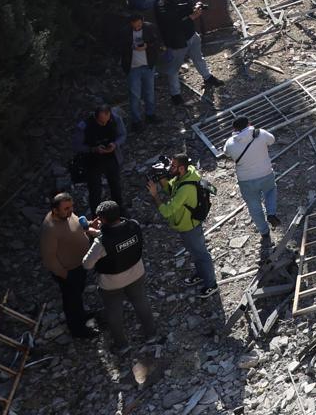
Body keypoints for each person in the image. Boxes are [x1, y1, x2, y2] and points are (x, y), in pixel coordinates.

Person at [82, 202, 158, 351]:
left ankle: (122, 345)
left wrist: (93, 236)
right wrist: (97, 232)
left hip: (112, 283)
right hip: (136, 272)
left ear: (102, 219)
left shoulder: (101, 242)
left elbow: (87, 264)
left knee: (114, 312)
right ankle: (151, 334)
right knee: (141, 302)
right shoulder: (133, 225)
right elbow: (118, 237)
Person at [150, 156, 218, 298]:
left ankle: (212, 285)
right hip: (184, 225)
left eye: (173, 166)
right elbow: (172, 191)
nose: (170, 168)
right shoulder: (185, 175)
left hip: (190, 227)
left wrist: (155, 195)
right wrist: (163, 179)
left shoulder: (186, 187)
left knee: (201, 254)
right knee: (195, 252)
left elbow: (168, 211)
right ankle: (201, 275)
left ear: (181, 168)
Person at [40, 192, 97, 341]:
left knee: (77, 295)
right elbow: (49, 258)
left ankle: (82, 316)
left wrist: (90, 225)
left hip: (80, 265)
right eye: (66, 208)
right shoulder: (50, 229)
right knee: (71, 300)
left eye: (71, 207)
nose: (70, 210)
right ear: (55, 210)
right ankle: (78, 330)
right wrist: (65, 275)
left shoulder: (67, 215)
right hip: (68, 271)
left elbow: (78, 226)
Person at [155, 0, 220, 105]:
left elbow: (188, 2)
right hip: (176, 42)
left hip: (191, 35)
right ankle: (175, 94)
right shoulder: (160, 6)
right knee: (174, 68)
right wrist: (191, 17)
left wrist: (197, 5)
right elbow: (171, 24)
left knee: (198, 58)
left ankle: (207, 77)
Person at [221, 115, 279, 239]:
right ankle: (271, 212)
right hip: (265, 173)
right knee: (270, 191)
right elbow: (272, 140)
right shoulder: (260, 134)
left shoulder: (230, 143)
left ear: (234, 129)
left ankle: (264, 232)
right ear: (249, 123)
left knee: (254, 206)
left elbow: (226, 153)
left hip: (245, 180)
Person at [71, 104, 127, 213]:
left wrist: (115, 144)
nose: (104, 124)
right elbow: (76, 146)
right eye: (101, 122)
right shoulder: (85, 126)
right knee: (95, 190)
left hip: (111, 157)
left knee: (115, 185)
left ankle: (119, 210)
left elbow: (122, 135)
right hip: (92, 160)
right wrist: (93, 149)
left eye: (106, 120)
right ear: (96, 117)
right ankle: (96, 216)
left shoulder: (115, 119)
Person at [123, 15, 161, 130]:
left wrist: (147, 46)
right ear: (131, 23)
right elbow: (119, 47)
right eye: (135, 25)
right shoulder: (125, 32)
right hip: (133, 68)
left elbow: (157, 42)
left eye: (140, 24)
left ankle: (150, 115)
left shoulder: (150, 28)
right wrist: (131, 47)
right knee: (135, 96)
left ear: (143, 21)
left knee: (150, 92)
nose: (138, 26)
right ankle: (136, 121)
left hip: (148, 66)